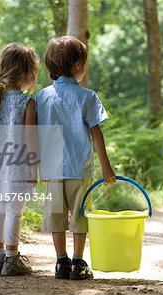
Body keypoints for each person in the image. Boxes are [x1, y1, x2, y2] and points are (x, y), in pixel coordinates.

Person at [35, 36, 116, 280]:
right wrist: (106, 168)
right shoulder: (88, 97)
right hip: (79, 168)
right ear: (78, 64)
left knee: (56, 215)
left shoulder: (41, 97)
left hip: (50, 168)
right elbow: (96, 133)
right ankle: (78, 263)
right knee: (80, 216)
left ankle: (61, 262)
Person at [0, 43, 39, 276]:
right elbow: (30, 138)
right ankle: (11, 260)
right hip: (17, 167)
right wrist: (33, 170)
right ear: (25, 74)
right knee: (15, 211)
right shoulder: (26, 102)